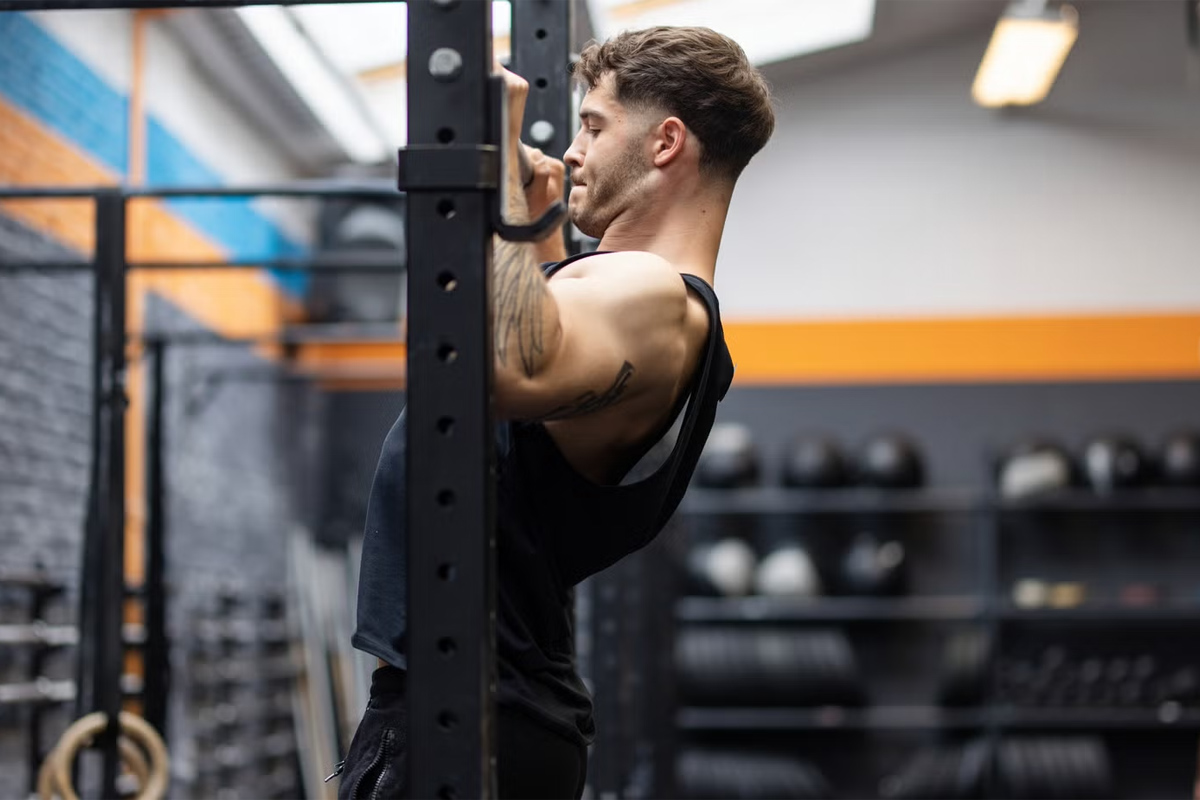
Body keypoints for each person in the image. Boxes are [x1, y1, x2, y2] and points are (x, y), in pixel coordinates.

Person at [336, 25, 775, 800]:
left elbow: (494, 366)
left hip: (475, 728)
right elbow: (518, 357)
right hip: (476, 715)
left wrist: (494, 179)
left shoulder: (657, 297)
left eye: (594, 126)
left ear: (667, 141)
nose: (573, 152)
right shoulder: (634, 297)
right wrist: (533, 234)